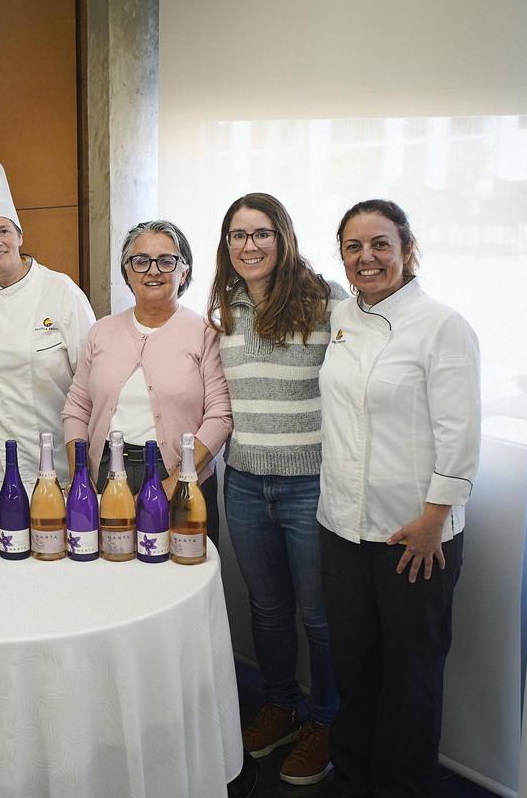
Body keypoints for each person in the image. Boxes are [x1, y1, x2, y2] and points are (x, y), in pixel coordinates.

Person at [318, 199, 480, 798]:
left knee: (412, 673)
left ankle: (401, 786)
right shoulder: (341, 316)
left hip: (413, 532)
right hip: (340, 526)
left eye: (380, 244)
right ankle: (352, 776)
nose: (367, 258)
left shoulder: (442, 326)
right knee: (354, 663)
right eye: (354, 247)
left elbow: (460, 433)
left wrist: (435, 518)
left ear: (407, 249)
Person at [207, 193, 346, 786]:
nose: (250, 245)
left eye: (261, 233)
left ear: (282, 237)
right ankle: (281, 707)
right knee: (265, 610)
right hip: (244, 480)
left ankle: (327, 723)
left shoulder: (325, 301)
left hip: (309, 483)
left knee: (318, 616)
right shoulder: (226, 306)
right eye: (238, 235)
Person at [61, 220, 231, 543]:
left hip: (183, 478)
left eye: (166, 261)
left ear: (184, 272)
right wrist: (79, 475)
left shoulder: (205, 333)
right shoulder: (101, 332)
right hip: (106, 475)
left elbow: (220, 416)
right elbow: (76, 408)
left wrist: (176, 482)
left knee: (182, 565)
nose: (153, 270)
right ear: (127, 273)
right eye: (140, 261)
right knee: (108, 564)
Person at [0, 160, 95, 487]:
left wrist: (83, 466)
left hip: (56, 457)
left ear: (19, 235)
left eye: (4, 231)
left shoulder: (61, 291)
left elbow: (92, 379)